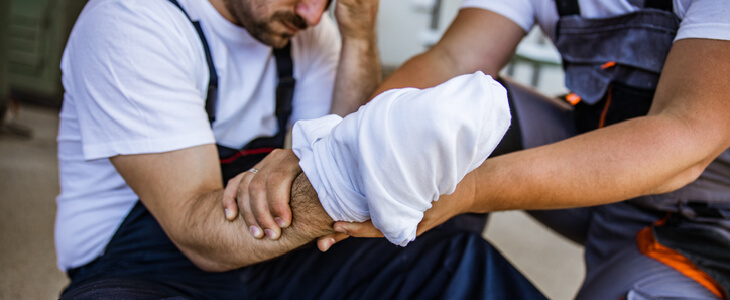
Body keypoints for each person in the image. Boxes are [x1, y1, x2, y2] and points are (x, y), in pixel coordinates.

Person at [231, 0, 730, 299]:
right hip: (600, 162)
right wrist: (328, 144)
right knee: (460, 109)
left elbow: (683, 136)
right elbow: (452, 58)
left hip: (706, 218)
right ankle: (411, 270)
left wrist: (468, 191)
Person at [55, 0, 545, 298]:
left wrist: (357, 35)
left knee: (448, 265)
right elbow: (196, 233)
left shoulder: (306, 29)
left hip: (270, 255)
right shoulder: (132, 22)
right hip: (149, 270)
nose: (312, 14)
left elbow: (336, 140)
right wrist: (357, 186)